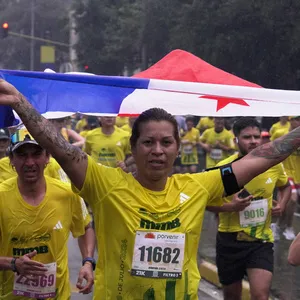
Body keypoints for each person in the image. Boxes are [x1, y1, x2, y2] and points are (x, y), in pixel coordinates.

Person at [1, 80, 300, 299]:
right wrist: (20, 103)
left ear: (177, 149)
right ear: (134, 147)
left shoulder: (198, 186)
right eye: (148, 142)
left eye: (166, 142)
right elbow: (61, 148)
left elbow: (263, 156)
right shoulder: (105, 185)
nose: (157, 150)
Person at [0, 136, 95, 299]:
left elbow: (86, 228)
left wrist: (87, 262)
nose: (30, 163)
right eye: (22, 155)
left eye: (36, 154)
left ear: (47, 158)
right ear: (11, 161)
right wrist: (13, 264)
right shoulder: (1, 196)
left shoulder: (67, 194)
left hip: (58, 295)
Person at [206, 117, 291, 300]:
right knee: (232, 296)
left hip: (261, 240)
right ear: (236, 138)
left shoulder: (273, 164)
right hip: (230, 241)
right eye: (246, 137)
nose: (253, 141)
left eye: (256, 136)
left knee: (260, 295)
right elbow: (207, 203)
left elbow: (285, 187)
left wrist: (282, 204)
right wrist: (231, 207)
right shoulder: (224, 168)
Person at [271, 116, 300, 241]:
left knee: (290, 203)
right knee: (292, 199)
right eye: (295, 119)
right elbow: (271, 149)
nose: (297, 122)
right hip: (284, 172)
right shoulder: (279, 133)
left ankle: (281, 226)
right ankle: (284, 227)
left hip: (298, 173)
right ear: (290, 120)